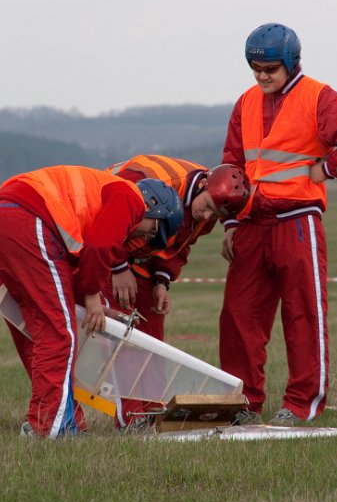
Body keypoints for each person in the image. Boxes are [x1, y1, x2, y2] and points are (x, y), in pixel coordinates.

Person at [219, 23, 337, 426]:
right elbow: (232, 163)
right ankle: (245, 403)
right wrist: (230, 222)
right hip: (251, 223)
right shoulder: (245, 102)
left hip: (297, 222)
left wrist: (327, 169)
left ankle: (300, 404)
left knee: (303, 314)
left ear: (292, 62)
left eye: (270, 68)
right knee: (238, 317)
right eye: (255, 68)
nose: (262, 76)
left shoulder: (318, 97)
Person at [0, 165, 183, 438]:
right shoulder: (131, 196)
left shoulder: (100, 198)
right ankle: (50, 426)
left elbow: (74, 264)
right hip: (29, 218)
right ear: (153, 206)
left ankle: (59, 418)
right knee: (58, 332)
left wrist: (94, 303)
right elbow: (100, 247)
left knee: (34, 329)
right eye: (152, 230)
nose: (142, 237)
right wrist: (93, 295)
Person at [104, 155, 250, 428]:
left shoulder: (207, 209)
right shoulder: (150, 182)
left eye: (215, 216)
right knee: (125, 334)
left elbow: (180, 244)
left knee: (153, 341)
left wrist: (162, 280)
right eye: (207, 207)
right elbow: (109, 218)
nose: (206, 217)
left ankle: (153, 411)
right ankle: (130, 419)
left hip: (141, 255)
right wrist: (118, 266)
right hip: (107, 249)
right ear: (204, 183)